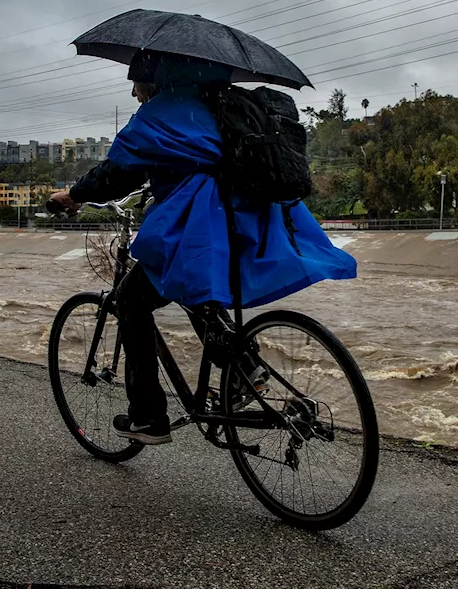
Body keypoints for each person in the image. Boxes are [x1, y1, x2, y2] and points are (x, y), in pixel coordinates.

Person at [49, 51, 356, 445]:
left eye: (136, 80)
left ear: (155, 78)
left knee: (131, 301)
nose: (133, 91)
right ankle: (246, 368)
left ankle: (148, 417)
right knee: (197, 291)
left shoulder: (165, 112)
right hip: (253, 223)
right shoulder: (224, 103)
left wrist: (72, 195)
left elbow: (119, 173)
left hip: (205, 228)